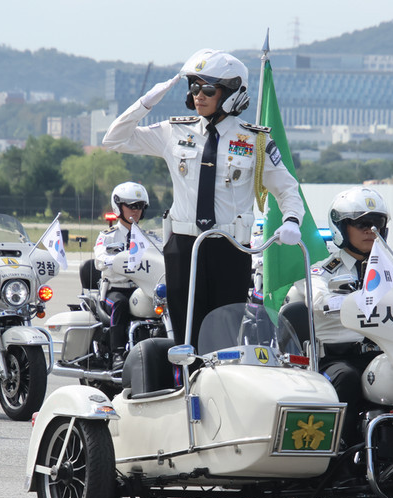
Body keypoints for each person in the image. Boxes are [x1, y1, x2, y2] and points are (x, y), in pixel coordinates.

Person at [102, 48, 305, 349]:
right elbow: (114, 139)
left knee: (225, 331)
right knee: (186, 334)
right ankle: (187, 388)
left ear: (232, 93)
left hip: (231, 248)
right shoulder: (173, 132)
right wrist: (146, 103)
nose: (198, 95)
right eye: (194, 87)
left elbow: (288, 189)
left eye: (208, 89)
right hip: (184, 247)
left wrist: (291, 221)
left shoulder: (254, 141)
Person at [285, 186, 390, 446]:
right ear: (341, 228)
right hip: (335, 359)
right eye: (361, 223)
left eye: (376, 222)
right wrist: (346, 301)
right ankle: (337, 453)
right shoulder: (320, 271)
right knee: (347, 378)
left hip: (386, 355)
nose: (370, 230)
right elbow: (319, 298)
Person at [94, 181, 155, 369]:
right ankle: (117, 354)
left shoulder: (149, 237)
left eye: (140, 206)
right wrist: (116, 260)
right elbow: (100, 259)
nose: (136, 211)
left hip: (141, 290)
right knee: (119, 304)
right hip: (114, 290)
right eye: (131, 206)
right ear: (119, 206)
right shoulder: (108, 236)